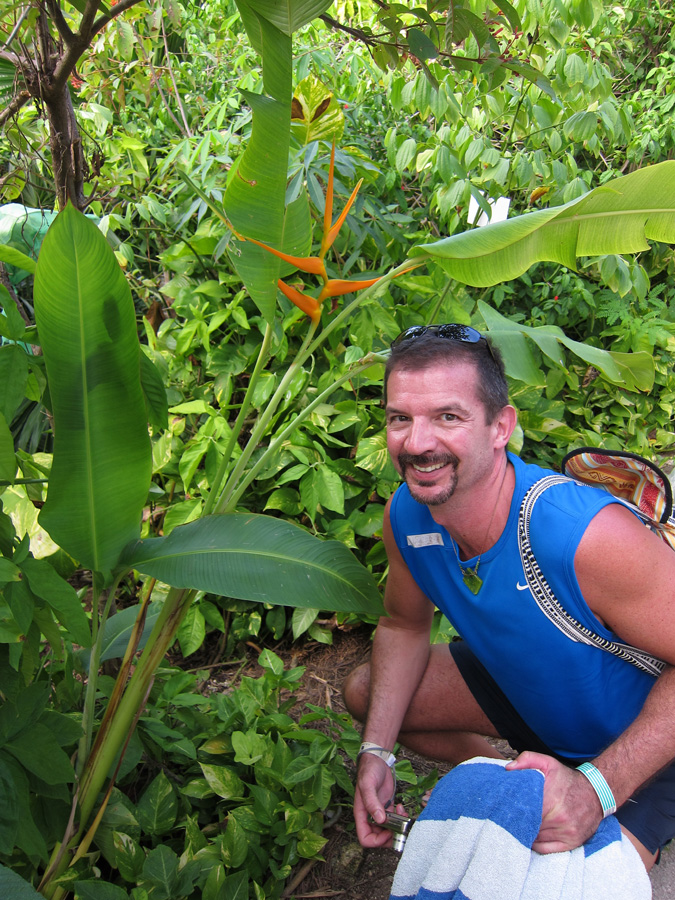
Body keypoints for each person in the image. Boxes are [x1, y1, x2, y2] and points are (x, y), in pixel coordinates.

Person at [343, 323, 675, 872]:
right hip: (539, 704)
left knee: (569, 882)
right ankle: (520, 785)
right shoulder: (406, 515)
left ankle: (618, 813)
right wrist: (376, 751)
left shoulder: (582, 535)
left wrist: (597, 790)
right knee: (367, 693)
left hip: (651, 746)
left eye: (448, 417)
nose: (417, 442)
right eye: (401, 418)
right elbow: (403, 627)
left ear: (501, 427)